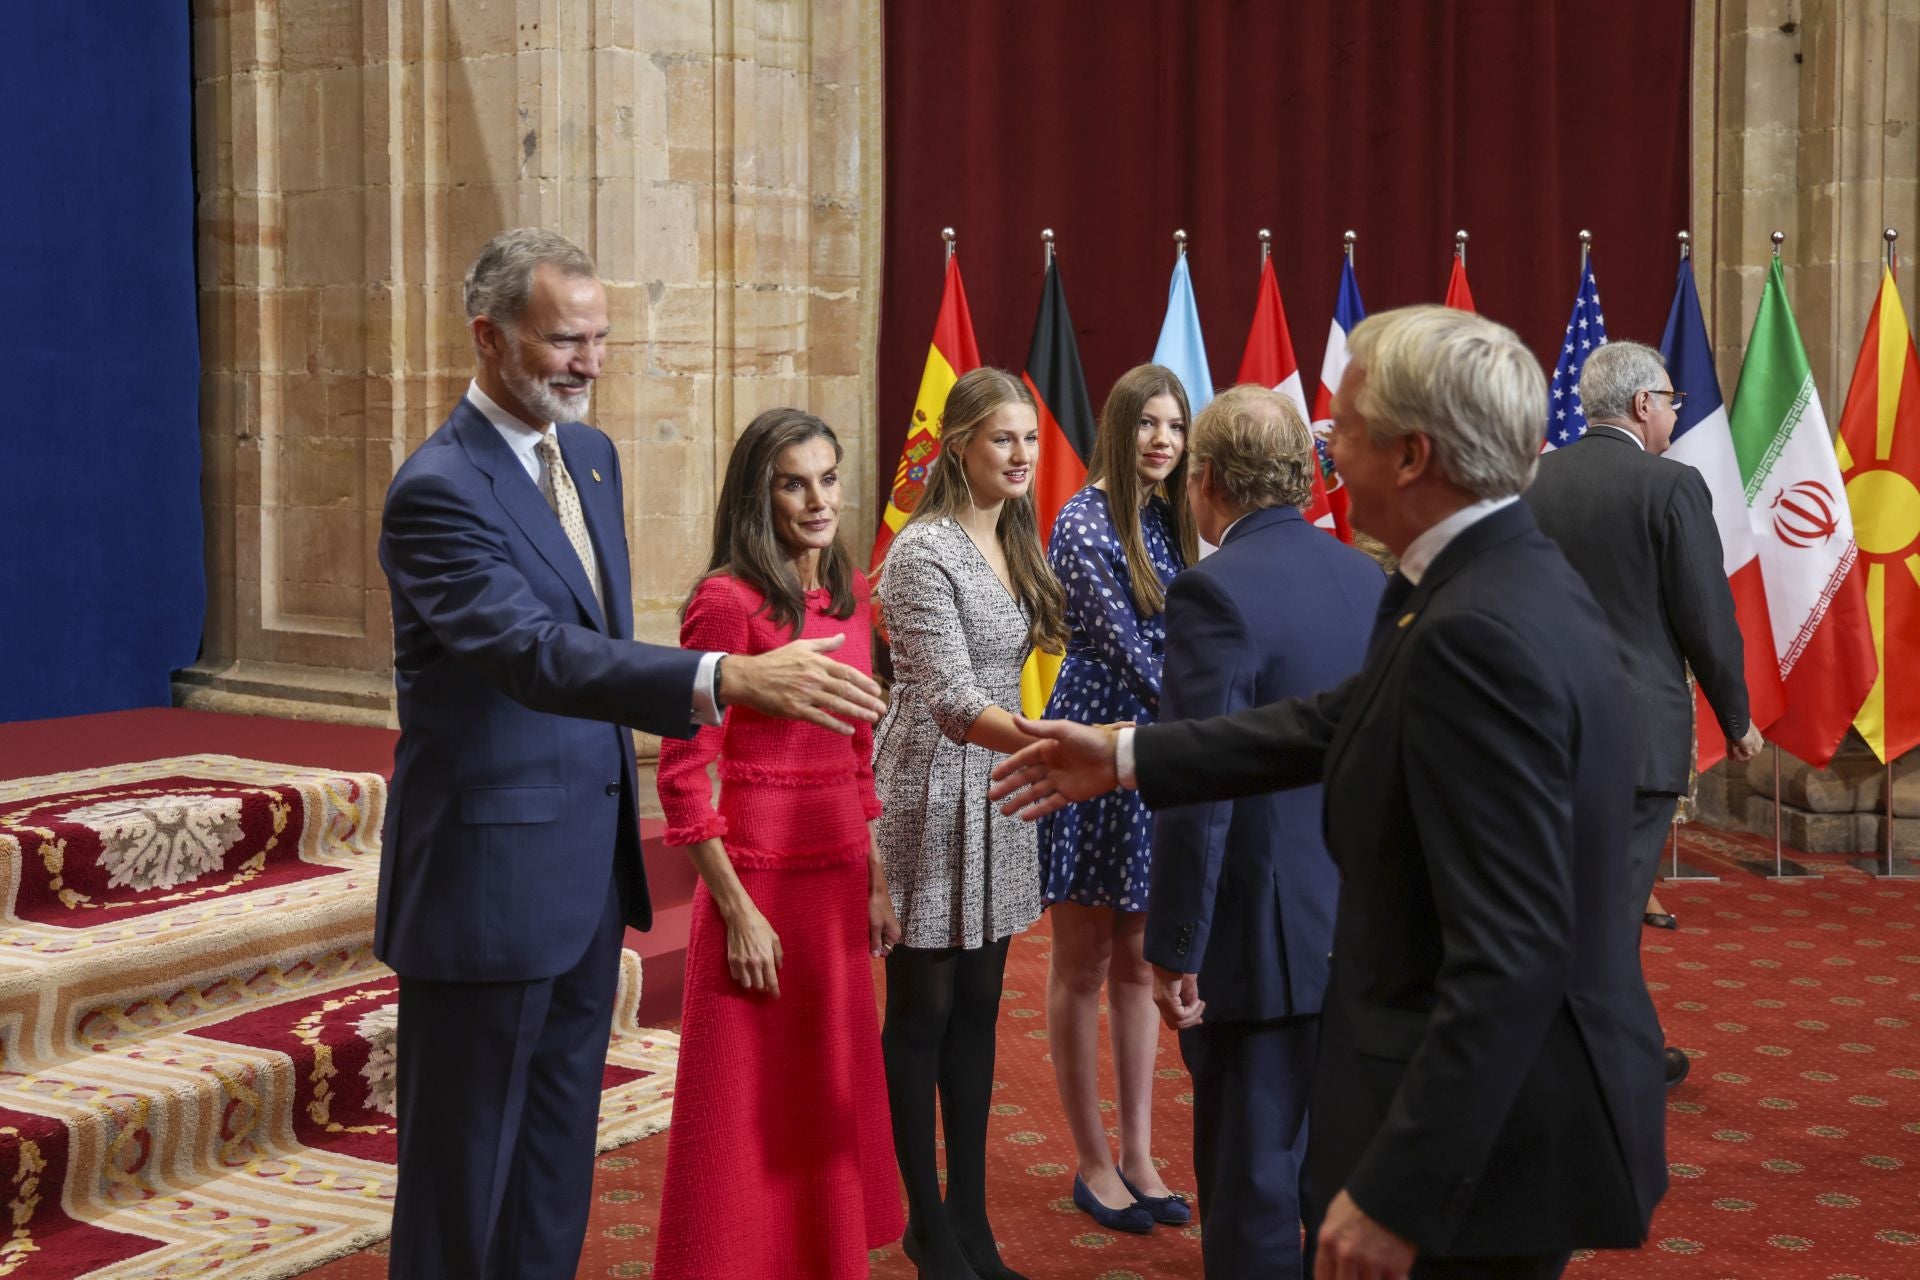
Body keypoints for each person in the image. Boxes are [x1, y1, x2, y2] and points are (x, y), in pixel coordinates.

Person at [989, 306, 1668, 1280]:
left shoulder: (1479, 625)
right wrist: (1128, 754)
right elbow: (1332, 718)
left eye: (1341, 425)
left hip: (1492, 1142)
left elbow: (1514, 952)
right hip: (1485, 1105)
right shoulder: (1470, 580)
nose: (1323, 447)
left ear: (1411, 454)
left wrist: (1402, 1186)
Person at [375, 227, 885, 1280]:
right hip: (483, 888)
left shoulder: (591, 458)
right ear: (489, 336)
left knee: (554, 1171)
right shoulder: (438, 489)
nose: (590, 362)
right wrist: (723, 679)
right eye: (566, 340)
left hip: (581, 879)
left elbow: (591, 642)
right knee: (461, 1184)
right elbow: (532, 652)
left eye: (601, 338)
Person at [651, 409, 906, 1276]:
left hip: (837, 877)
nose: (817, 499)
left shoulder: (853, 592)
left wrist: (874, 877)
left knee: (821, 1100)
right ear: (761, 495)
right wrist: (737, 911)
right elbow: (683, 777)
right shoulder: (725, 603)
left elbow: (860, 750)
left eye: (828, 478)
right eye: (795, 482)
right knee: (743, 1107)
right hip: (757, 884)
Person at [1144, 384, 1383, 1278]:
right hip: (1361, 929)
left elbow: (1197, 782)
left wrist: (1173, 944)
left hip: (1259, 944)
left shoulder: (1212, 593)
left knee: (1250, 1191)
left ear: (1206, 481)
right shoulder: (1371, 579)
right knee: (1344, 1182)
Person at [1526, 339, 1765, 1088]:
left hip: (1541, 729)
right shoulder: (1671, 486)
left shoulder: (1533, 480)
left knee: (1565, 897)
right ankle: (1602, 1058)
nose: (1673, 412)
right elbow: (1706, 616)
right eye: (1671, 400)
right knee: (1613, 907)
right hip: (1636, 738)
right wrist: (1738, 716)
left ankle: (1619, 1043)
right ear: (1642, 405)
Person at [872, 367, 1068, 1280]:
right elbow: (949, 699)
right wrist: (1060, 749)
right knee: (924, 1009)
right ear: (959, 446)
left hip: (999, 782)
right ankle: (924, 1224)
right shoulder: (922, 551)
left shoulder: (1016, 538)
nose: (1023, 454)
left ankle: (971, 1222)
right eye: (1003, 438)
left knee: (983, 1008)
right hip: (932, 788)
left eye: (1029, 438)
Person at [1037, 363, 1199, 1232]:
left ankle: (1139, 1153)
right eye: (1148, 425)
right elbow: (1134, 650)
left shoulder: (1173, 522)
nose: (1163, 441)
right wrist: (1214, 726)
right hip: (1097, 751)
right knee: (1083, 962)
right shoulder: (1082, 520)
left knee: (1140, 963)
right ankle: (1092, 1159)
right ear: (1119, 426)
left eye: (1175, 427)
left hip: (1157, 752)